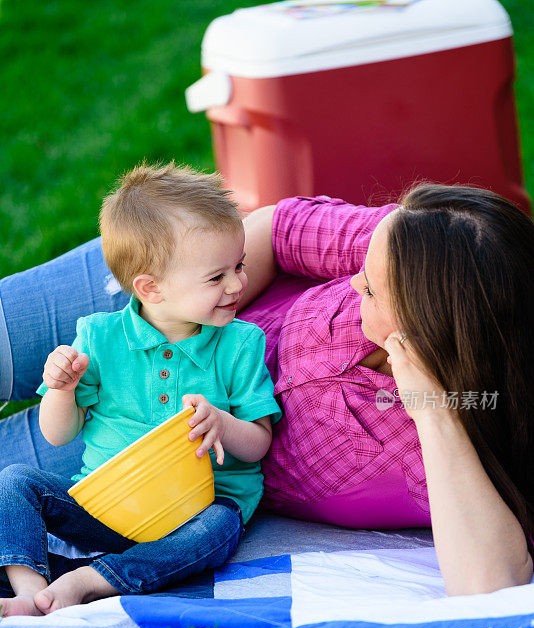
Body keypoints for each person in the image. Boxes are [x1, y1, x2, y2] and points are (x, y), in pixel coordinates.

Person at [0, 183, 532, 598]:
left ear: (424, 328)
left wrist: (434, 411)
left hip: (158, 453)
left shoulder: (444, 436)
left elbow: (489, 586)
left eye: (368, 289)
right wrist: (180, 319)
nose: (352, 282)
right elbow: (282, 229)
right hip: (178, 277)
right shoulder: (421, 241)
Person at [0, 162, 282, 616]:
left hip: (196, 511)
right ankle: (29, 590)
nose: (237, 284)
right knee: (14, 481)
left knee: (218, 530)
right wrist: (60, 390)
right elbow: (58, 435)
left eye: (239, 266)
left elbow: (259, 445)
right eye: (217, 277)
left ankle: (89, 582)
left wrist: (222, 424)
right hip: (103, 509)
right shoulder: (98, 337)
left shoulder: (240, 343)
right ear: (150, 288)